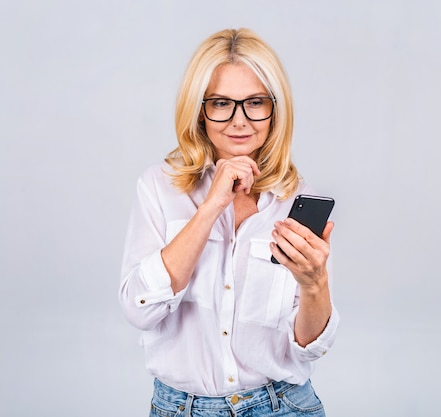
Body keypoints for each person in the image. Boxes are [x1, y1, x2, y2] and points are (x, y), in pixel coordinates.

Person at [119, 28, 339, 417]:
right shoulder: (159, 187)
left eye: (255, 102)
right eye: (221, 103)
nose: (240, 121)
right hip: (181, 409)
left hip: (282, 405)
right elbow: (140, 310)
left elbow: (308, 346)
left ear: (276, 108)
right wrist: (212, 205)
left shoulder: (295, 199)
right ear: (198, 109)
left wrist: (314, 284)